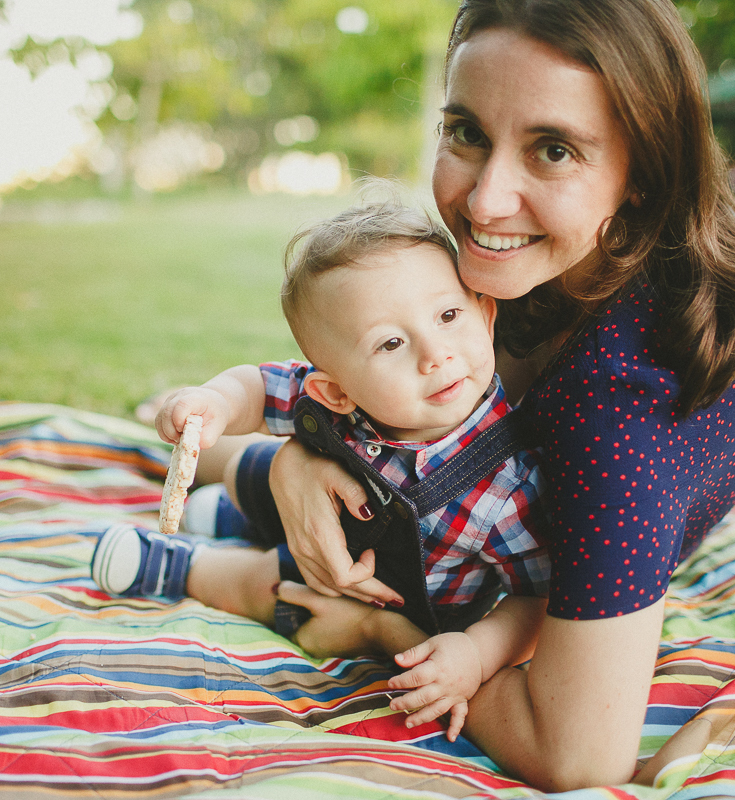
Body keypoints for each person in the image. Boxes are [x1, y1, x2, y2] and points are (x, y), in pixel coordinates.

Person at [238, 0, 735, 791]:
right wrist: (298, 458)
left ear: (644, 174)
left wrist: (378, 630)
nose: (484, 202)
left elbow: (579, 758)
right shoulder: (531, 259)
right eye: (466, 131)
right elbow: (343, 381)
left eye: (554, 149)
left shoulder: (618, 419)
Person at [94, 199, 551, 741]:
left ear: (485, 313)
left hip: (356, 587)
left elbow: (537, 597)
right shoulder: (338, 402)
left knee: (275, 588)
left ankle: (180, 566)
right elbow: (259, 388)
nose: (436, 354)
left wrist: (476, 653)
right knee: (255, 468)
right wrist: (214, 404)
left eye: (448, 316)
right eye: (390, 343)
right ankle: (227, 505)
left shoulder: (510, 488)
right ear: (333, 390)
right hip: (306, 507)